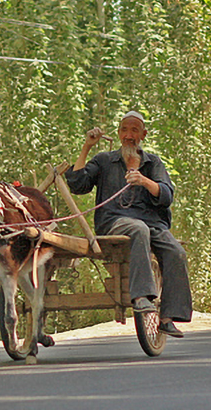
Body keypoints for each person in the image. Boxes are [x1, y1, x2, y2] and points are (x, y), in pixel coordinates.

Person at [65, 110, 192, 337]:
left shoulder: (153, 163)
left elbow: (166, 194)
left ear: (143, 134)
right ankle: (141, 297)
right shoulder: (104, 161)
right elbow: (78, 183)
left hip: (153, 223)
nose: (129, 135)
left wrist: (144, 181)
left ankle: (167, 318)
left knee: (176, 252)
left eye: (134, 130)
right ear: (118, 133)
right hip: (115, 221)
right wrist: (87, 147)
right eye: (124, 130)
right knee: (137, 228)